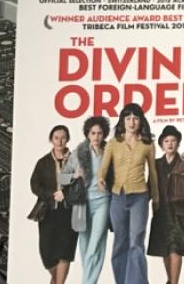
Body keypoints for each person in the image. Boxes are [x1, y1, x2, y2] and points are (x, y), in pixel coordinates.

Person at [99, 103, 159, 284]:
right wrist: (101, 179)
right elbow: (103, 168)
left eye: (135, 118)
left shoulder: (147, 144)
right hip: (118, 197)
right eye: (128, 118)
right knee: (120, 243)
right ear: (122, 121)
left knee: (136, 242)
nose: (132, 122)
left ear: (140, 121)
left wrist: (155, 197)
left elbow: (153, 173)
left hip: (140, 197)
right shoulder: (113, 143)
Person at [147, 124, 184, 284]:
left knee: (176, 247)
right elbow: (150, 185)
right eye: (166, 141)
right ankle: (170, 280)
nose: (170, 144)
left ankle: (174, 282)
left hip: (181, 211)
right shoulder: (156, 164)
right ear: (161, 144)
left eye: (173, 140)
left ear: (178, 143)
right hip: (161, 211)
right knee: (165, 248)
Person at [29, 124, 78, 284]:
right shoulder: (42, 162)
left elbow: (83, 184)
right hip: (48, 212)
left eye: (63, 137)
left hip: (69, 212)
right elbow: (34, 185)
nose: (59, 141)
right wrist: (51, 195)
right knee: (47, 255)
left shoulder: (75, 161)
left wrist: (66, 193)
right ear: (51, 139)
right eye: (56, 137)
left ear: (68, 139)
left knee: (65, 252)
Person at [72, 115, 112, 284]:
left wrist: (109, 183)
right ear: (87, 134)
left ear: (104, 134)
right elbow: (63, 177)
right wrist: (74, 176)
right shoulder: (78, 153)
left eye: (100, 133)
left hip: (103, 201)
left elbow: (119, 173)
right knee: (84, 245)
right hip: (83, 203)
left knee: (96, 245)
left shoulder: (110, 151)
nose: (96, 136)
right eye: (93, 133)